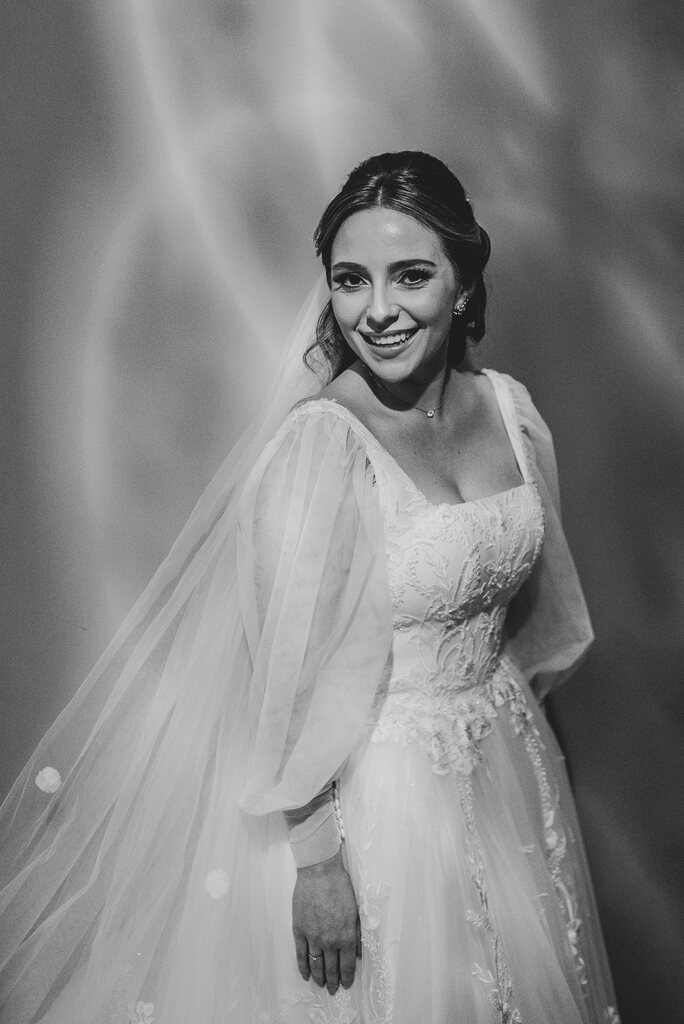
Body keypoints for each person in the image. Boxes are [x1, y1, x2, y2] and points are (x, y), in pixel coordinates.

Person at [0, 152, 620, 1024]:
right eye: (351, 280)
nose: (378, 310)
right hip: (381, 799)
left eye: (411, 276)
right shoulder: (322, 445)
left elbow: (535, 613)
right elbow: (283, 674)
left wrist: (524, 744)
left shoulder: (510, 412)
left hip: (507, 761)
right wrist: (319, 860)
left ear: (464, 283)